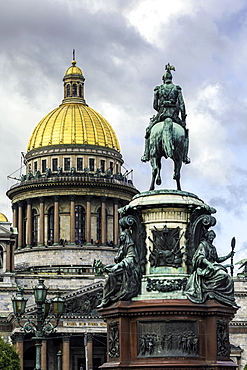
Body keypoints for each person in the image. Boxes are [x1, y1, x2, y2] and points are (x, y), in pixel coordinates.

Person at [141, 63, 190, 164]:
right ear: (171, 78)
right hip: (174, 115)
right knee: (185, 134)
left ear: (163, 79)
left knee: (148, 132)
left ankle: (146, 154)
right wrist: (183, 120)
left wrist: (160, 109)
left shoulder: (158, 89)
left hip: (162, 114)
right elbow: (182, 105)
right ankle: (185, 156)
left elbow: (155, 105)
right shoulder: (177, 89)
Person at [184, 230, 236, 307]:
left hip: (212, 268)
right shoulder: (203, 245)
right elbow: (200, 257)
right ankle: (209, 290)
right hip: (204, 268)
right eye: (210, 236)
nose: (211, 238)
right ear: (207, 236)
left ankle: (215, 292)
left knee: (228, 278)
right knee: (223, 275)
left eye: (213, 236)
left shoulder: (213, 248)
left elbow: (217, 259)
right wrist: (208, 264)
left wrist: (228, 255)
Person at [97, 230, 141, 308]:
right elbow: (118, 260)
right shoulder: (122, 247)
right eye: (120, 236)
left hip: (129, 269)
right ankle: (105, 299)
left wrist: (118, 265)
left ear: (126, 237)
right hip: (123, 268)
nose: (121, 238)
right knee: (109, 277)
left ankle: (107, 298)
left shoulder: (130, 246)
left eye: (123, 236)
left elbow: (130, 259)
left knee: (111, 276)